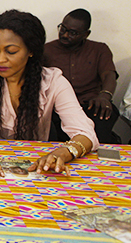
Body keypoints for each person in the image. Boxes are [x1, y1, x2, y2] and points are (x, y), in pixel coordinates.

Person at [0, 10, 99, 178]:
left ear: (31, 51)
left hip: (34, 170)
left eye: (11, 51)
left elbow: (86, 134)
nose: (0, 59)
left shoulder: (53, 82)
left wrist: (61, 154)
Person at [44, 9, 120, 144]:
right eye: (63, 28)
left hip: (91, 105)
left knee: (105, 114)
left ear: (86, 34)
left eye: (73, 33)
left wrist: (104, 96)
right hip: (58, 108)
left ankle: (100, 161)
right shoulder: (46, 50)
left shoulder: (99, 50)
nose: (65, 35)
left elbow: (109, 74)